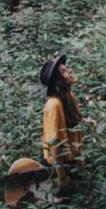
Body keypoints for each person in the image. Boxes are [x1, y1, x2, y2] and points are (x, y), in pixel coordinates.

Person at [39, 52, 84, 191]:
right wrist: (62, 177)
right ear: (57, 80)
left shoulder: (70, 98)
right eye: (64, 71)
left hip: (71, 164)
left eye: (67, 68)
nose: (69, 70)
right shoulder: (54, 104)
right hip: (58, 169)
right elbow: (54, 143)